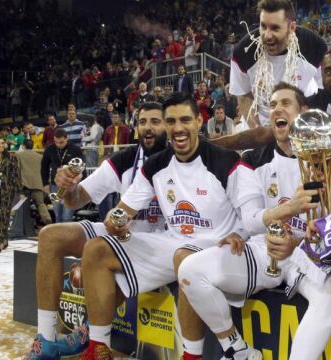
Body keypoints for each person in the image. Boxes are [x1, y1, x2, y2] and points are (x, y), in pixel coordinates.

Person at [78, 93, 257, 359]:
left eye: (185, 119)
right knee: (95, 249)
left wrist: (240, 233)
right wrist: (115, 221)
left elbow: (253, 216)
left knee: (185, 260)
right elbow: (123, 210)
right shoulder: (156, 165)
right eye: (171, 121)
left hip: (217, 244)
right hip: (175, 242)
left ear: (199, 121)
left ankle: (192, 355)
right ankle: (98, 347)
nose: (178, 128)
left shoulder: (226, 161)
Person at [178, 83, 331, 360]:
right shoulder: (252, 160)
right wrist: (290, 208)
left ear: (303, 112)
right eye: (273, 104)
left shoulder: (327, 159)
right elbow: (252, 220)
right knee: (190, 270)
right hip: (265, 249)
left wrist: (299, 242)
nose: (277, 108)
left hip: (307, 253)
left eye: (285, 103)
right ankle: (238, 350)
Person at [25, 102, 168, 360]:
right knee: (49, 236)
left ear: (167, 125)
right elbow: (75, 200)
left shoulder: (179, 158)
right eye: (143, 121)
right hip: (123, 232)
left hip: (159, 241)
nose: (148, 127)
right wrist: (69, 186)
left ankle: (90, 333)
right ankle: (45, 339)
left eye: (155, 122)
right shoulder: (124, 160)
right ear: (135, 127)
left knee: (103, 251)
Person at [229, 0, 327, 128]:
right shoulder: (244, 52)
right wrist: (259, 131)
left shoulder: (314, 46)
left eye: (275, 28)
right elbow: (243, 95)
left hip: (303, 121)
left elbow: (324, 91)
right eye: (263, 26)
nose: (267, 35)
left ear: (291, 28)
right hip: (262, 123)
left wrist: (305, 125)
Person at [40, 128, 83, 223]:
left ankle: (68, 236)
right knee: (57, 213)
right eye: (56, 142)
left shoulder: (76, 149)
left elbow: (82, 168)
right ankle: (60, 236)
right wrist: (45, 184)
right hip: (54, 186)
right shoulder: (49, 149)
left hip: (70, 187)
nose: (59, 145)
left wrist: (79, 184)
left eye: (61, 142)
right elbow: (44, 167)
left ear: (67, 138)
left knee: (67, 215)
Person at [0, 134, 21, 252]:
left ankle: (0, 241)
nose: (1, 145)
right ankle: (5, 236)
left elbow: (17, 174)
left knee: (4, 213)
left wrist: (19, 190)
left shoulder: (12, 157)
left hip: (8, 188)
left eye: (2, 143)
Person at [16, 140, 52, 226]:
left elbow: (17, 170)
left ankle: (23, 227)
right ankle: (48, 221)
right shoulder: (40, 157)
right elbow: (45, 171)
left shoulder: (18, 155)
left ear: (23, 146)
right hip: (38, 184)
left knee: (22, 206)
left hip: (24, 185)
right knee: (40, 204)